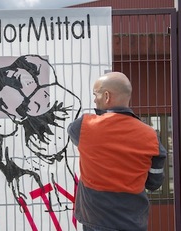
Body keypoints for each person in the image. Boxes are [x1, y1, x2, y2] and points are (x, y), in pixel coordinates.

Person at [67, 72, 167, 231]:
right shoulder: (151, 136)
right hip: (132, 221)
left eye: (96, 94)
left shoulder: (84, 126)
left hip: (95, 220)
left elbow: (73, 135)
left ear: (106, 96)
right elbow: (154, 182)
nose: (94, 99)